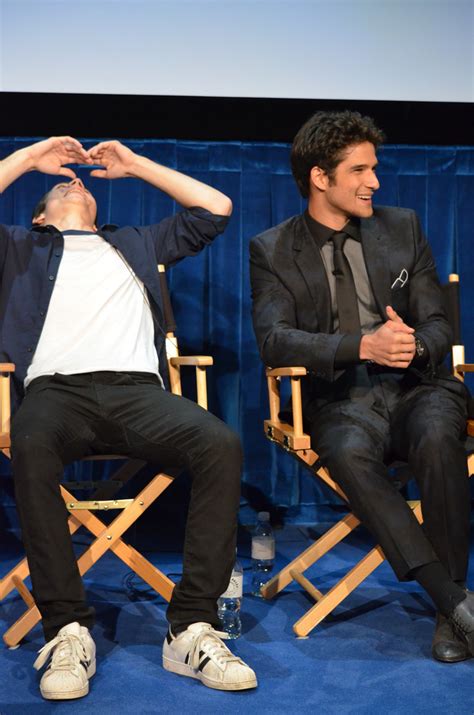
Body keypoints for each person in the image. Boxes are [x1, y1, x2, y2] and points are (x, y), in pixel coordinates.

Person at [0, 136, 257, 699]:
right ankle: (67, 628)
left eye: (85, 184)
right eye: (62, 186)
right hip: (55, 394)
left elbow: (216, 208)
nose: (77, 183)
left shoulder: (137, 242)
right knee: (31, 441)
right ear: (39, 215)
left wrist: (136, 165)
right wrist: (26, 159)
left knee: (220, 443)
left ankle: (191, 627)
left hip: (139, 394)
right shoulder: (20, 246)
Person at [250, 111, 474, 662]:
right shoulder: (273, 249)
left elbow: (439, 324)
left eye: (375, 168)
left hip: (418, 385)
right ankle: (453, 603)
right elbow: (276, 341)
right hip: (341, 397)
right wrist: (360, 346)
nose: (375, 180)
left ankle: (451, 614)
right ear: (320, 178)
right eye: (360, 170)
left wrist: (413, 346)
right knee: (348, 452)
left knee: (438, 436)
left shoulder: (403, 227)